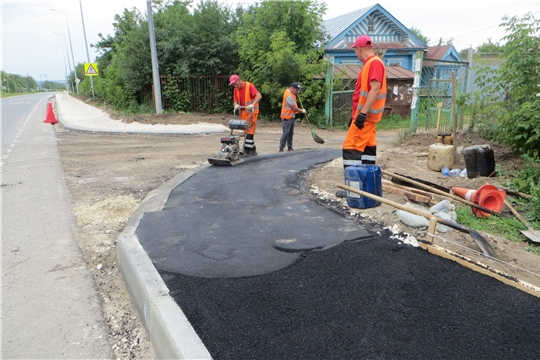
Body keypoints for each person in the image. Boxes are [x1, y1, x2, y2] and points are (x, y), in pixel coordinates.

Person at [342, 34, 387, 168]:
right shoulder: (369, 64)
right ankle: (367, 184)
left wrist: (362, 113)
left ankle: (353, 187)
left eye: (355, 50)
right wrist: (355, 115)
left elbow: (375, 89)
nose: (356, 54)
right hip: (366, 117)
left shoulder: (374, 63)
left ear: (360, 48)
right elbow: (364, 93)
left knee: (351, 147)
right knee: (368, 148)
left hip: (366, 117)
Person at [229, 74, 262, 156]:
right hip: (243, 112)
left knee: (250, 131)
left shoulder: (249, 86)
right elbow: (235, 100)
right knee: (245, 131)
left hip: (252, 112)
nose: (235, 86)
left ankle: (247, 150)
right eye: (233, 85)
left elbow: (259, 96)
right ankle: (252, 150)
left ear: (239, 80)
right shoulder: (236, 89)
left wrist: (253, 104)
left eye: (235, 84)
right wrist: (236, 105)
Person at [279, 82, 306, 152]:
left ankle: (289, 147)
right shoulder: (289, 96)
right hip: (286, 118)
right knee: (285, 133)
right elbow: (294, 108)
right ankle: (281, 149)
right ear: (292, 88)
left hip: (291, 117)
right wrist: (301, 110)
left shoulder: (292, 93)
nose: (297, 92)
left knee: (291, 133)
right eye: (297, 90)